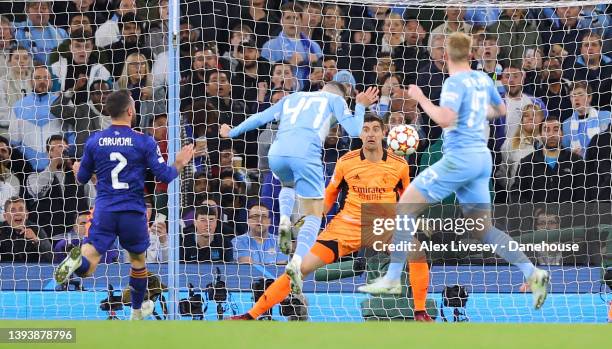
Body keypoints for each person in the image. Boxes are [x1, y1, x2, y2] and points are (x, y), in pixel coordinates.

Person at [359, 32, 550, 310]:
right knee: (482, 229)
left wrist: (421, 98)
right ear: (471, 54)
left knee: (404, 209)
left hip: (459, 158)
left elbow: (444, 118)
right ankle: (532, 273)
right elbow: (500, 109)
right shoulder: (484, 79)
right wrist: (472, 112)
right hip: (482, 159)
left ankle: (391, 278)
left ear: (445, 56)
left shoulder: (452, 82)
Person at [231, 115, 432, 321]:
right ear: (360, 134)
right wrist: (313, 216)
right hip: (347, 227)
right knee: (299, 268)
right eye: (365, 129)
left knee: (417, 253)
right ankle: (251, 315)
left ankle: (420, 312)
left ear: (383, 133)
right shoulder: (346, 162)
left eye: (375, 129)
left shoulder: (399, 165)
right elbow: (329, 195)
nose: (370, 133)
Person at [220, 81, 379, 293]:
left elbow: (261, 118)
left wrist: (232, 132)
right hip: (305, 155)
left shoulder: (292, 97)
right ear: (345, 95)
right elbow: (354, 131)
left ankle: (285, 219)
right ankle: (296, 263)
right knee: (313, 215)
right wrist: (360, 105)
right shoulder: (336, 100)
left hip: (277, 154)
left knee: (288, 182)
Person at [53, 90, 194, 320]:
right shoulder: (144, 141)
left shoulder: (95, 140)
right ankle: (136, 312)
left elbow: (82, 177)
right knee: (138, 263)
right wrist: (179, 162)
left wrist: (78, 170)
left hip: (105, 210)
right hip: (133, 211)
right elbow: (165, 176)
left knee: (88, 267)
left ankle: (76, 260)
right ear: (130, 111)